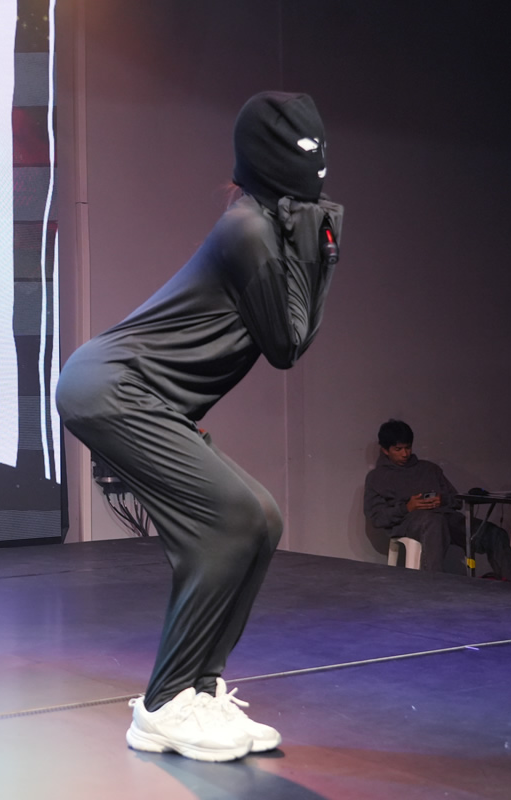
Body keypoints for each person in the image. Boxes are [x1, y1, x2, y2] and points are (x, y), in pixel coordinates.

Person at [56, 92, 342, 762]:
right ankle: (163, 705)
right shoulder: (248, 230)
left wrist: (313, 244)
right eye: (304, 152)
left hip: (140, 395)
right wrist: (322, 251)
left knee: (261, 520)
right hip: (112, 387)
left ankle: (199, 690)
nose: (319, 167)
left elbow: (289, 334)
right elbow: (288, 343)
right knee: (231, 520)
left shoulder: (268, 227)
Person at [364, 419, 511, 582]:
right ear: (385, 450)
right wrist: (407, 507)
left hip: (446, 518)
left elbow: (456, 500)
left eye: (408, 447)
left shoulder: (429, 469)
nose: (405, 454)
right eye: (398, 449)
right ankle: (434, 585)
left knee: (495, 534)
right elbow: (377, 517)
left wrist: (442, 500)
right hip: (409, 522)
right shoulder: (377, 477)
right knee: (434, 522)